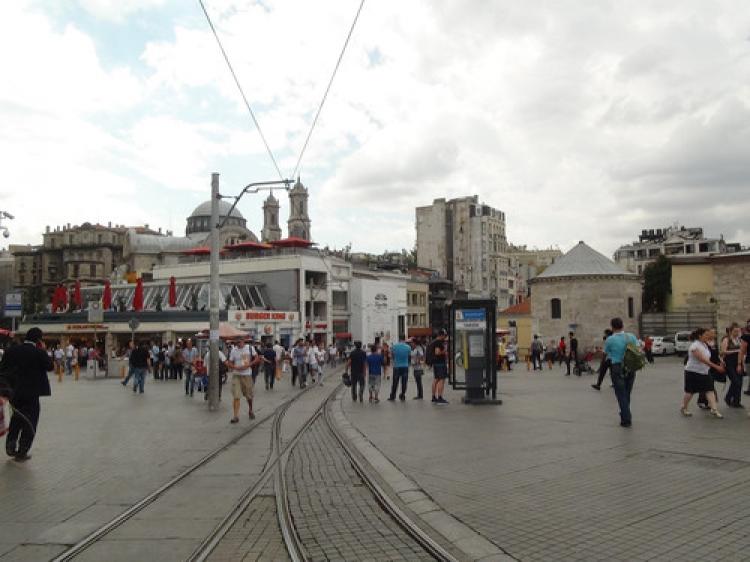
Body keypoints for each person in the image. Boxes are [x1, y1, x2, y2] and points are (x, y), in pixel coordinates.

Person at [2, 327, 54, 462]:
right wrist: (43, 350)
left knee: (17, 417)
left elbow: (2, 370)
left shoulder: (11, 351)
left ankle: (10, 444)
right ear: (38, 340)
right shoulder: (39, 352)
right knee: (31, 420)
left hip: (14, 392)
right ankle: (22, 450)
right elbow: (50, 366)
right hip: (32, 394)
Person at [681, 328, 725, 419]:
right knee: (690, 392)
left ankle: (714, 409)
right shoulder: (694, 346)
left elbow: (711, 356)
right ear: (700, 336)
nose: (708, 336)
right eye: (706, 334)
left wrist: (720, 361)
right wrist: (716, 367)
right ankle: (684, 407)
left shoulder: (704, 344)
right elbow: (703, 360)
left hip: (704, 371)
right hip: (692, 372)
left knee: (710, 389)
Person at [603, 318, 639, 427]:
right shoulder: (631, 336)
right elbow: (638, 349)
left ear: (612, 327)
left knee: (621, 394)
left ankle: (626, 419)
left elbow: (606, 353)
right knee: (627, 392)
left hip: (617, 367)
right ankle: (624, 413)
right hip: (630, 367)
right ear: (622, 325)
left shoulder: (610, 339)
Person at [229, 336, 256, 423]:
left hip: (247, 374)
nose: (238, 344)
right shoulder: (234, 350)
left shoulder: (250, 348)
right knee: (236, 396)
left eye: (239, 342)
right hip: (236, 375)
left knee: (249, 395)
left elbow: (257, 358)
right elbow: (230, 362)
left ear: (243, 341)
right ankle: (235, 416)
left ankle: (250, 410)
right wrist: (235, 367)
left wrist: (249, 365)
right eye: (237, 342)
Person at [388, 336, 411, 401]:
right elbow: (409, 357)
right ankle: (402, 395)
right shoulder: (408, 347)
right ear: (404, 339)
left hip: (396, 366)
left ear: (399, 339)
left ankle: (393, 395)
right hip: (405, 366)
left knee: (395, 382)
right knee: (404, 382)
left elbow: (392, 356)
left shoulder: (394, 346)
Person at [431, 331, 449, 405]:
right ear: (441, 335)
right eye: (444, 336)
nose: (445, 337)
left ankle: (433, 397)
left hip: (436, 363)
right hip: (440, 364)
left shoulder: (434, 342)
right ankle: (440, 397)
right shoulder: (438, 342)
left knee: (436, 379)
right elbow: (437, 352)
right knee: (441, 380)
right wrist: (444, 351)